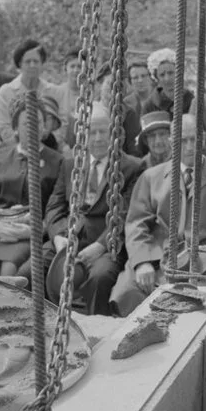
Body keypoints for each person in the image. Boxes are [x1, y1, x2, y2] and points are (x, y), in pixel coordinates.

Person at [111, 113, 206, 317]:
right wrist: (142, 263)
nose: (188, 147)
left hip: (205, 260)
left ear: (202, 139)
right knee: (128, 292)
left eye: (194, 139)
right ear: (172, 142)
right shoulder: (151, 177)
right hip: (160, 256)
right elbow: (136, 224)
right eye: (182, 140)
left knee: (203, 308)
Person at [42, 104, 146, 315]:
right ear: (83, 135)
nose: (98, 138)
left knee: (100, 277)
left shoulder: (131, 167)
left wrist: (99, 246)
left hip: (107, 244)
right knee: (32, 268)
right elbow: (55, 206)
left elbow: (126, 215)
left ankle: (96, 334)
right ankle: (42, 327)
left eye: (103, 131)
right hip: (68, 240)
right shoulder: (70, 165)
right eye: (92, 132)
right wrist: (58, 238)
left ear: (114, 133)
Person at [0, 92, 63, 276]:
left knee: (9, 269)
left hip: (32, 232)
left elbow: (57, 207)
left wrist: (32, 230)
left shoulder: (57, 162)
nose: (33, 127)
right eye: (26, 123)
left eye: (38, 122)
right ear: (15, 127)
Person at [0, 39, 66, 149]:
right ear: (20, 64)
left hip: (50, 151)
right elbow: (4, 128)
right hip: (17, 151)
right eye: (28, 62)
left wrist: (46, 144)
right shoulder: (6, 92)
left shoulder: (55, 92)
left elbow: (62, 126)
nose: (32, 65)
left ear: (42, 63)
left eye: (36, 61)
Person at [141, 48, 194, 116]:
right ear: (157, 78)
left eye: (170, 73)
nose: (167, 79)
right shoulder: (150, 106)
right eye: (162, 75)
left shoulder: (191, 101)